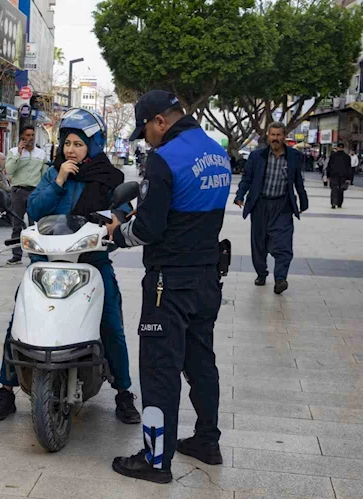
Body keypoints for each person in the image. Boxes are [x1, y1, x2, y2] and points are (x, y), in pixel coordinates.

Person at [105, 91, 230, 484]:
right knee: (200, 362)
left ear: (160, 121)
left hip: (168, 282)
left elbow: (147, 229)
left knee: (160, 368)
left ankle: (156, 461)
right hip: (207, 276)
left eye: (146, 130)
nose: (147, 139)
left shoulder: (165, 160)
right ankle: (207, 441)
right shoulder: (216, 151)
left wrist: (117, 234)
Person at [0, 108, 140, 425]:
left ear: (93, 146)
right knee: (18, 320)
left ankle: (124, 393)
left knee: (110, 321)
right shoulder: (51, 173)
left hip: (91, 261)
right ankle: (5, 389)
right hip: (47, 261)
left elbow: (121, 207)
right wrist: (58, 180)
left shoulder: (109, 177)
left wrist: (117, 219)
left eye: (78, 144)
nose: (71, 149)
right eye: (67, 143)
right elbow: (35, 209)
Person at [234, 122, 309, 295]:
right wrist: (239, 195)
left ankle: (280, 279)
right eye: (272, 135)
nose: (275, 138)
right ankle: (261, 273)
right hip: (260, 205)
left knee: (283, 244)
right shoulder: (257, 156)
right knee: (259, 244)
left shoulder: (294, 157)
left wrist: (303, 201)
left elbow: (298, 180)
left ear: (284, 136)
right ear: (268, 136)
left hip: (282, 206)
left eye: (279, 135)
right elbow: (247, 178)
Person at [5, 124, 48, 265]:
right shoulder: (13, 152)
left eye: (32, 135)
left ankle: (34, 254)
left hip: (34, 192)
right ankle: (16, 255)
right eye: (27, 135)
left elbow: (44, 174)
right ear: (22, 136)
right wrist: (18, 152)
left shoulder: (40, 154)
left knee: (34, 225)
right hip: (18, 191)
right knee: (17, 224)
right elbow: (9, 170)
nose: (30, 138)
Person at [327, 142, 352, 210]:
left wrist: (328, 175)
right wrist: (349, 178)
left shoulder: (333, 156)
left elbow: (329, 166)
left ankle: (333, 203)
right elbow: (349, 168)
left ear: (337, 148)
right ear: (343, 148)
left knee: (334, 189)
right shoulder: (347, 157)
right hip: (343, 175)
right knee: (341, 190)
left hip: (334, 175)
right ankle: (339, 203)